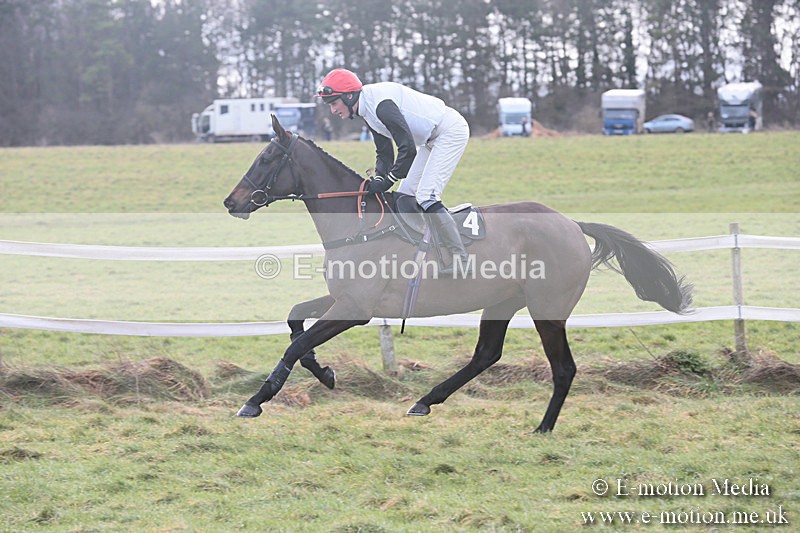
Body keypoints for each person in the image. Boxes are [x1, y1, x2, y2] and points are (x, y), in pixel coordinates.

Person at [316, 68, 470, 273]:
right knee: (404, 196)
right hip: (430, 140)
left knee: (426, 196)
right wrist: (380, 177)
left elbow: (407, 149)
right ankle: (423, 249)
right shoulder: (366, 109)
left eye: (334, 103)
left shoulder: (381, 106)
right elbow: (384, 153)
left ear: (349, 96)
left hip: (449, 132)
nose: (333, 110)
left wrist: (388, 180)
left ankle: (462, 260)